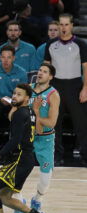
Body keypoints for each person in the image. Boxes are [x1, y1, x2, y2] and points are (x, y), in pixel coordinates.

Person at [0, 83, 52, 213]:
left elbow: (15, 139)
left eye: (19, 94)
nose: (14, 96)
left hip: (19, 160)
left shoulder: (20, 114)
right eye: (14, 93)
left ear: (27, 98)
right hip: (26, 160)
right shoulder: (30, 112)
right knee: (4, 196)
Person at [14, 63, 58, 213]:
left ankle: (37, 200)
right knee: (17, 174)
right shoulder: (27, 89)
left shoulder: (53, 95)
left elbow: (51, 123)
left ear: (51, 77)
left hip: (45, 139)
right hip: (27, 138)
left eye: (45, 71)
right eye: (40, 70)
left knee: (45, 180)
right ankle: (19, 203)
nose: (40, 73)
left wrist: (37, 113)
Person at [44, 13, 87, 166]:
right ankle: (56, 155)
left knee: (81, 124)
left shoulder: (80, 44)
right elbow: (46, 68)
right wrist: (44, 89)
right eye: (61, 25)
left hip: (75, 86)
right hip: (56, 86)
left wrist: (85, 88)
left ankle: (85, 155)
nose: (63, 28)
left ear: (72, 26)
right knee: (54, 123)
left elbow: (85, 67)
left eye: (66, 24)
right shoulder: (51, 44)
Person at [0, 45, 28, 154]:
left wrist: (15, 102)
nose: (6, 60)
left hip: (16, 101)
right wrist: (0, 99)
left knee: (21, 111)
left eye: (9, 57)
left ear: (14, 58)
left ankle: (17, 142)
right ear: (0, 58)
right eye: (3, 57)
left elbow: (24, 93)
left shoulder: (21, 72)